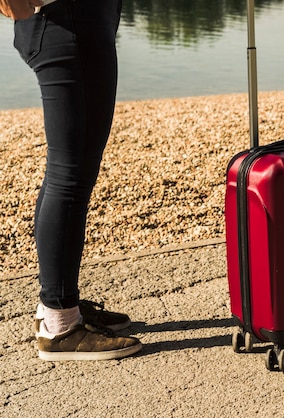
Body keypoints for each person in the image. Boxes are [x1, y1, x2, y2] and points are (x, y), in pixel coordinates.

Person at [1, 0, 142, 360]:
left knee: (65, 172)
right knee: (70, 176)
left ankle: (57, 304)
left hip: (66, 21)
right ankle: (60, 325)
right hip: (67, 22)